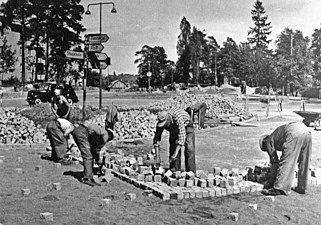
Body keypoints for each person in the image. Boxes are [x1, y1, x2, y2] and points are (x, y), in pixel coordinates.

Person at [259, 121, 312, 195]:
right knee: (304, 160)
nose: (267, 150)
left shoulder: (268, 141)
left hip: (294, 133)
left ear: (264, 142)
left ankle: (279, 188)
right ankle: (302, 187)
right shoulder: (276, 135)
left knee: (287, 161)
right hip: (306, 132)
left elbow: (274, 162)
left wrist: (271, 181)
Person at [71, 122, 115, 187]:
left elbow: (94, 150)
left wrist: (97, 160)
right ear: (109, 136)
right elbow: (97, 149)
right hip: (82, 133)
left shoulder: (96, 134)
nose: (107, 141)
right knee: (88, 156)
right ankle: (87, 178)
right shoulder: (105, 133)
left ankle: (88, 174)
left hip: (78, 131)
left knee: (88, 155)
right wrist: (99, 160)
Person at [153, 108, 196, 173]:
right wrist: (157, 157)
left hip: (187, 126)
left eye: (165, 123)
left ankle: (191, 172)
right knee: (173, 146)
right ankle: (174, 171)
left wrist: (174, 155)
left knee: (189, 148)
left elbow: (182, 137)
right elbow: (156, 139)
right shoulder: (160, 123)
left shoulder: (178, 118)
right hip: (174, 129)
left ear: (168, 119)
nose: (164, 126)